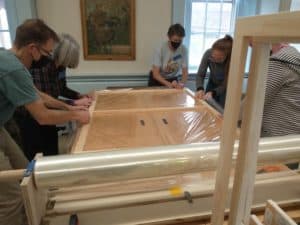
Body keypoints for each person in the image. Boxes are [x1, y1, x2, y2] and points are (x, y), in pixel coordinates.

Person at [0, 19, 89, 225]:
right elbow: (42, 116)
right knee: (11, 196)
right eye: (47, 52)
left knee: (27, 172)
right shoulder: (14, 68)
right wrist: (77, 116)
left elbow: (38, 94)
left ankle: (32, 217)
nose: (48, 58)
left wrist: (70, 107)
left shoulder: (10, 60)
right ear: (32, 48)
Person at [13, 33, 92, 160]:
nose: (67, 65)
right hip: (30, 117)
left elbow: (61, 89)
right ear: (64, 55)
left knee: (51, 151)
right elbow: (44, 100)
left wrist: (79, 96)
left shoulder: (60, 68)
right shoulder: (42, 67)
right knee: (35, 155)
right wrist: (72, 105)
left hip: (50, 115)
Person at [261, 43, 300, 137]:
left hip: (279, 132)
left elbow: (257, 100)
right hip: (291, 131)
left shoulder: (279, 61)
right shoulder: (292, 56)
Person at [195, 35, 233, 107]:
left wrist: (213, 92)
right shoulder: (208, 53)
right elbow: (200, 74)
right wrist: (200, 88)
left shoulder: (232, 60)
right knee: (207, 106)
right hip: (212, 82)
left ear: (226, 56)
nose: (214, 60)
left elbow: (225, 85)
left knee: (221, 110)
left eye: (218, 59)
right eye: (213, 57)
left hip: (225, 87)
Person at [148, 23, 188, 89]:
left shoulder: (184, 50)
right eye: (175, 40)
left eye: (180, 41)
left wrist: (181, 84)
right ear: (169, 37)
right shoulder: (160, 48)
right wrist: (168, 84)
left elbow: (185, 72)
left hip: (173, 79)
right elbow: (155, 74)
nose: (177, 43)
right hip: (157, 80)